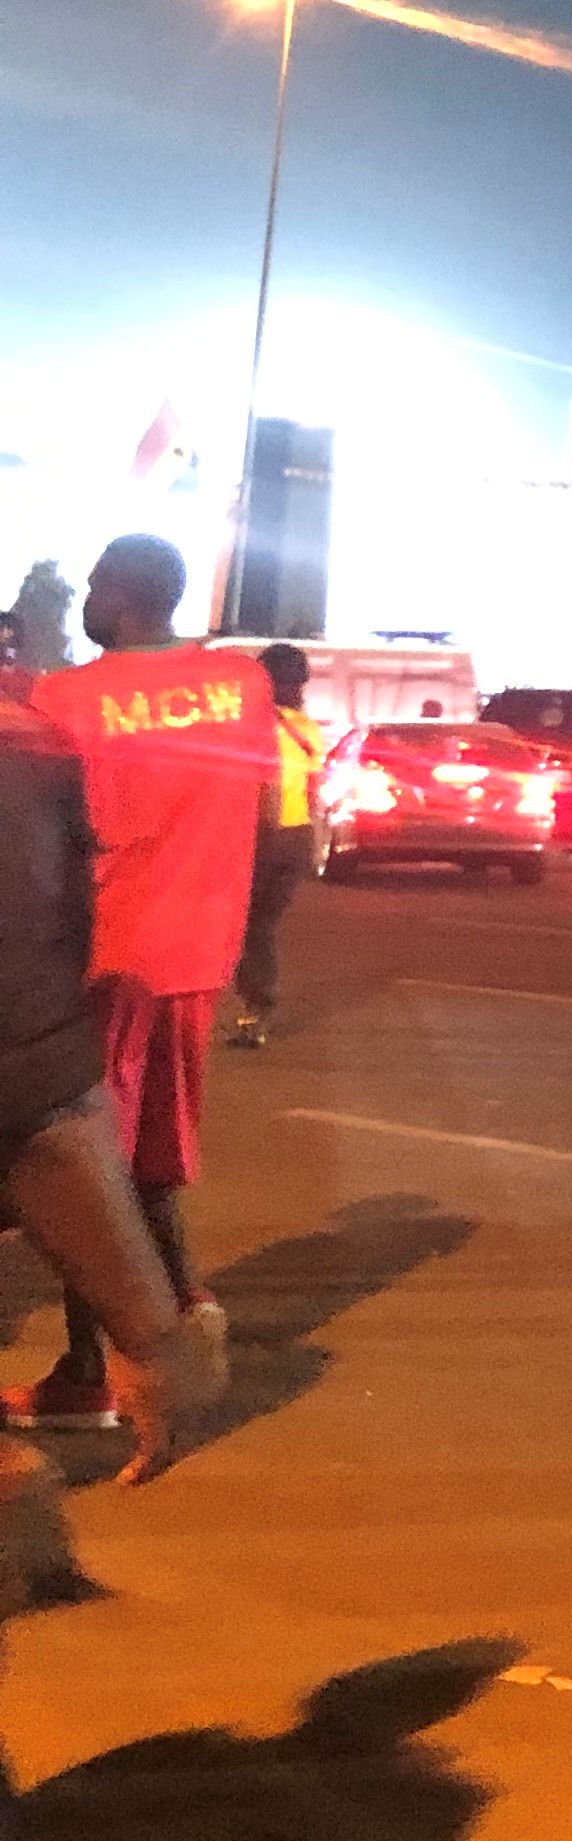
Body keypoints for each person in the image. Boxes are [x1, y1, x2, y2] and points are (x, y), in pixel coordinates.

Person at [6, 536, 277, 1432]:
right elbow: (266, 810)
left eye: (92, 587)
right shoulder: (243, 685)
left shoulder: (67, 698)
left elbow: (51, 828)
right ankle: (130, 1347)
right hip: (200, 953)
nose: (85, 598)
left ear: (118, 596)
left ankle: (115, 1364)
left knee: (84, 1168)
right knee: (147, 1160)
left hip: (105, 956)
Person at [0, 683, 225, 1481]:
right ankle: (153, 1356)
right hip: (72, 1015)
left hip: (82, 1006)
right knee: (103, 1161)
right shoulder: (36, 734)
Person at [228, 642, 325, 1050]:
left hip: (261, 835)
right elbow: (312, 787)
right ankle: (255, 1007)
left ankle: (254, 1007)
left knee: (244, 928)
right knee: (261, 927)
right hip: (296, 836)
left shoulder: (252, 725)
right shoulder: (307, 728)